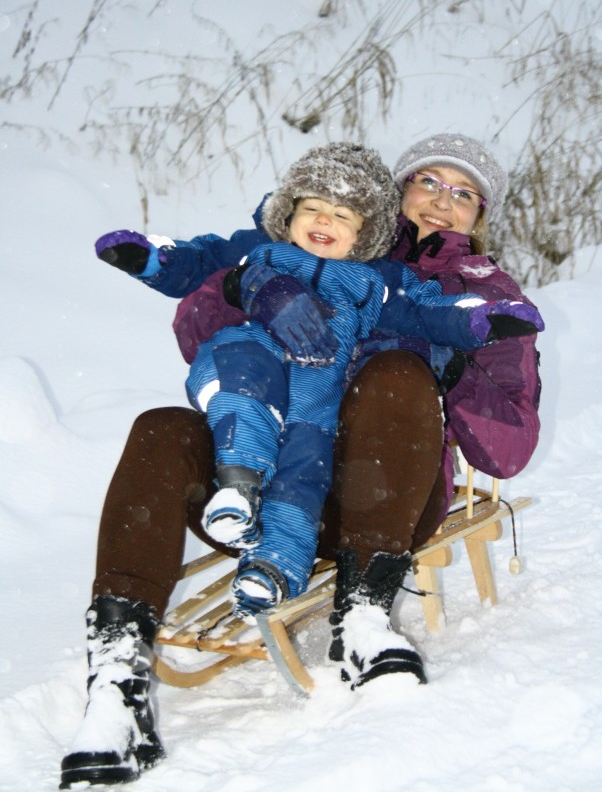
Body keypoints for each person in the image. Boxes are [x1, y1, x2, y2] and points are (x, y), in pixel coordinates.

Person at [60, 134, 543, 789]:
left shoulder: (484, 293)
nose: (442, 201)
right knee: (161, 430)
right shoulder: (311, 227)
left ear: (480, 216)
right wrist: (250, 285)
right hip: (259, 484)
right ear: (395, 192)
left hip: (381, 498)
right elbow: (193, 333)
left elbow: (508, 450)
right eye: (429, 181)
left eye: (464, 194)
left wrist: (450, 363)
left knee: (398, 370)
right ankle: (117, 682)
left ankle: (366, 614)